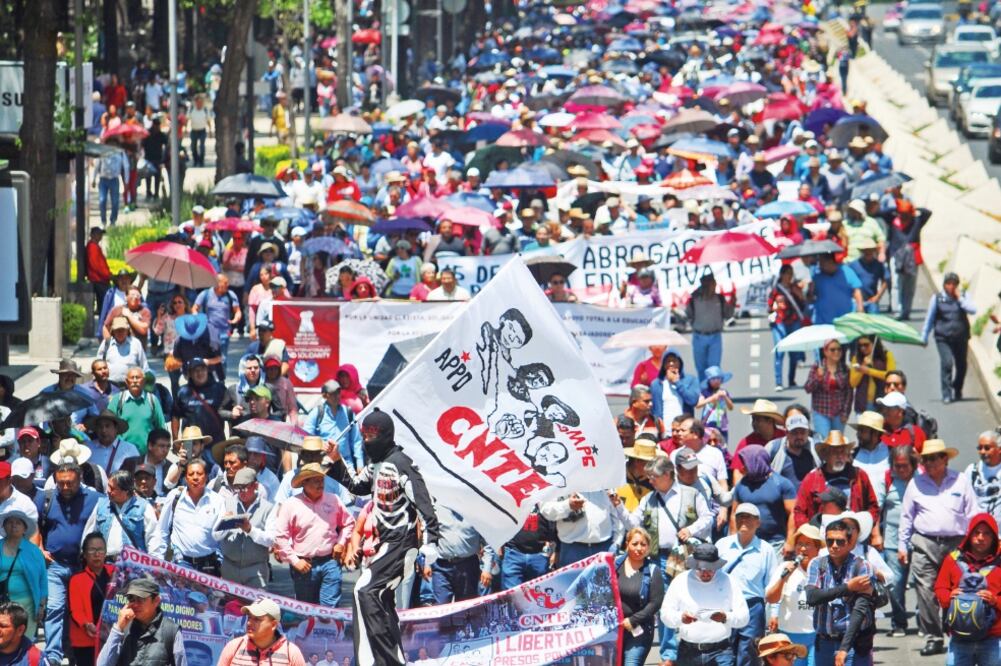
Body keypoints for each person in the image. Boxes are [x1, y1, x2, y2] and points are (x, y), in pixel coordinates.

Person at [323, 411, 441, 666]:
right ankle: (385, 658)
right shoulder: (375, 465)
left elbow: (423, 502)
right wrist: (336, 459)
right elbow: (356, 485)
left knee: (365, 589)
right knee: (380, 599)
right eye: (364, 436)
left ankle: (385, 661)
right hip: (384, 545)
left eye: (372, 436)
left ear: (386, 436)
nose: (367, 441)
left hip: (402, 543)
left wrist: (431, 543)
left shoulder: (401, 463)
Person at [898, 439, 980, 656]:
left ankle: (955, 626)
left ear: (945, 458)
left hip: (956, 543)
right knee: (925, 590)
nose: (931, 462)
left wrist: (978, 542)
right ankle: (933, 636)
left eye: (935, 458)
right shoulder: (915, 484)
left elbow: (973, 513)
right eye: (926, 459)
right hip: (925, 541)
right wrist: (902, 546)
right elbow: (906, 517)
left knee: (958, 588)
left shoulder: (960, 480)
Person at [36, 462, 101, 666]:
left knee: (79, 611)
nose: (64, 487)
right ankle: (54, 655)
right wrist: (39, 548)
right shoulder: (46, 498)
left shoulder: (94, 499)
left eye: (70, 483)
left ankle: (76, 652)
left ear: (80, 479)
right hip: (54, 565)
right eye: (61, 483)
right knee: (55, 608)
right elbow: (33, 525)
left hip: (82, 567)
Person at [273, 463, 355, 606]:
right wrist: (295, 560)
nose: (320, 484)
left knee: (328, 609)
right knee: (307, 610)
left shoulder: (334, 499)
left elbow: (349, 523)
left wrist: (341, 543)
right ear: (304, 482)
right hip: (304, 564)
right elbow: (281, 537)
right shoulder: (291, 504)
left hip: (330, 561)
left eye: (322, 480)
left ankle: (329, 627)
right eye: (315, 480)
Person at [661, 543, 750, 666]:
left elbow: (744, 617)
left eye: (711, 569)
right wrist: (681, 618)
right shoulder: (680, 581)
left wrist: (725, 617)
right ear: (694, 566)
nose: (706, 573)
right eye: (701, 570)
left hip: (721, 651)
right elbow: (665, 615)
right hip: (688, 651)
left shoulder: (728, 581)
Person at [804, 518, 878, 666]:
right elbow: (812, 597)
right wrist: (848, 588)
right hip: (824, 642)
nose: (834, 546)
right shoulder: (817, 564)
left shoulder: (863, 567)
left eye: (840, 541)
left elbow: (860, 610)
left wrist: (844, 648)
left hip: (854, 643)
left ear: (850, 544)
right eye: (830, 541)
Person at [933, 512, 1001, 666]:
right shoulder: (953, 559)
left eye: (987, 534)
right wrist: (948, 597)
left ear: (994, 537)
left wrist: (995, 600)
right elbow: (940, 587)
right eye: (976, 533)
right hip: (959, 637)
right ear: (969, 535)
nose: (981, 538)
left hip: (993, 637)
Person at [717, 503, 777, 666]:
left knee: (749, 654)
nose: (744, 520)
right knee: (724, 650)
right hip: (725, 604)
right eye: (740, 516)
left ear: (758, 522)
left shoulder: (766, 550)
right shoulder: (722, 545)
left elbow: (772, 584)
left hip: (753, 607)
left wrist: (774, 613)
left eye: (749, 517)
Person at [793, 431, 880, 540]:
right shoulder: (811, 479)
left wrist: (863, 527)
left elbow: (873, 507)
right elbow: (799, 511)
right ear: (826, 455)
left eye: (842, 452)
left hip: (854, 539)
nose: (839, 456)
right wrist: (811, 534)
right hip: (823, 539)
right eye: (834, 452)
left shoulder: (859, 476)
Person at [765, 524, 825, 666]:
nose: (802, 549)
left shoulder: (825, 570)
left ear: (817, 549)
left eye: (808, 544)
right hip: (790, 635)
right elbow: (771, 598)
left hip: (817, 636)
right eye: (799, 544)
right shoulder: (784, 568)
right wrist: (783, 578)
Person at [154, 459, 224, 575]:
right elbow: (162, 531)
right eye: (191, 474)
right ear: (186, 478)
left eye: (199, 474)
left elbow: (221, 538)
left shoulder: (217, 500)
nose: (195, 477)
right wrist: (158, 561)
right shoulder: (175, 497)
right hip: (181, 564)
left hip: (209, 566)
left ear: (206, 477)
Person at [95, 577, 186, 666]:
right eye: (131, 599)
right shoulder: (124, 628)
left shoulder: (171, 630)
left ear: (156, 601)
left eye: (141, 599)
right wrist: (118, 628)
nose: (135, 604)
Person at [921, 272, 976, 403]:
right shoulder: (937, 298)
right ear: (944, 285)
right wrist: (924, 336)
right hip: (943, 337)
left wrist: (959, 299)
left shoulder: (963, 296)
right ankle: (946, 393)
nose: (951, 286)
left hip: (961, 337)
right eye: (948, 283)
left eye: (954, 284)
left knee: (961, 365)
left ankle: (957, 388)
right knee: (947, 363)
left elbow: (973, 310)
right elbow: (930, 318)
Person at [880, 445, 918, 637]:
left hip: (919, 541)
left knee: (923, 584)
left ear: (913, 464)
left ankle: (925, 622)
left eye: (905, 466)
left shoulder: (922, 479)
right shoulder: (887, 480)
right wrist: (875, 534)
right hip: (893, 541)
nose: (901, 470)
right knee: (895, 583)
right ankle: (899, 622)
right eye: (897, 466)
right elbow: (876, 505)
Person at [422, 504, 494, 604]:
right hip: (441, 567)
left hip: (468, 567)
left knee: (466, 609)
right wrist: (427, 563)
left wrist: (487, 569)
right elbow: (430, 534)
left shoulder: (476, 512)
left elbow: (488, 542)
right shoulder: (437, 509)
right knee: (441, 607)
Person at [731, 446, 797, 554]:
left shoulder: (782, 483)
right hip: (747, 543)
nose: (743, 467)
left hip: (776, 544)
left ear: (756, 462)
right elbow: (734, 514)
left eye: (746, 462)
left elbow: (793, 513)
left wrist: (790, 542)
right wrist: (733, 539)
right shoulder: (741, 485)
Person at [81, 470, 159, 559]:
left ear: (125, 491)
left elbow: (153, 539)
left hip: (133, 567)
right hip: (104, 564)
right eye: (108, 486)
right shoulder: (101, 505)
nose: (108, 491)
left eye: (112, 488)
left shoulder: (144, 507)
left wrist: (155, 566)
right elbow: (89, 533)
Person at [617, 527, 665, 666]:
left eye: (643, 545)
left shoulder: (653, 571)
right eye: (635, 543)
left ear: (649, 548)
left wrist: (632, 620)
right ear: (627, 544)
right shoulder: (613, 565)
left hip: (640, 630)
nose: (639, 548)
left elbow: (656, 603)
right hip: (614, 629)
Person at [68, 533, 113, 666]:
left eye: (100, 550)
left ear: (105, 553)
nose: (96, 554)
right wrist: (86, 624)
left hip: (112, 637)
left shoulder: (117, 573)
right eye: (92, 550)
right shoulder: (77, 579)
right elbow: (75, 610)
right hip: (86, 639)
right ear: (85, 554)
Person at [217, 598, 306, 665]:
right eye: (249, 617)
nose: (249, 623)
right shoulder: (233, 647)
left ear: (273, 625)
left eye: (257, 619)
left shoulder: (291, 652)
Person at [0, 512, 46, 640]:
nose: (14, 526)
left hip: (27, 606)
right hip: (2, 605)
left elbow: (42, 580)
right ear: (4, 526)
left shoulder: (34, 551)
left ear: (25, 528)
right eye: (10, 522)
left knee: (24, 641)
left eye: (18, 523)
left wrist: (42, 606)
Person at [304, 381, 363, 474]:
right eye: (332, 394)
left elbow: (356, 440)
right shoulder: (317, 413)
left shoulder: (348, 413)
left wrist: (360, 463)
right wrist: (320, 444)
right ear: (325, 395)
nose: (337, 396)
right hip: (323, 462)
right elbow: (306, 436)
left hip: (346, 463)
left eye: (338, 392)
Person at [106, 368, 165, 455]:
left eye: (137, 377)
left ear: (144, 381)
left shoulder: (152, 400)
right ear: (126, 381)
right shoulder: (117, 400)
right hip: (122, 454)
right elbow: (107, 424)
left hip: (147, 455)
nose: (134, 381)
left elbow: (161, 427)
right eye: (132, 378)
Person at [686, 275, 733, 382]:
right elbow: (687, 315)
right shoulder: (694, 299)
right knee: (701, 368)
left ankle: (713, 392)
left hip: (715, 337)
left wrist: (732, 303)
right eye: (712, 284)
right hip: (699, 336)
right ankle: (704, 393)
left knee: (714, 368)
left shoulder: (719, 298)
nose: (714, 286)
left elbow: (728, 314)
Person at [769, 264, 808, 391]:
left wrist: (801, 295)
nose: (789, 277)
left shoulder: (794, 288)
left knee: (794, 353)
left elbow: (803, 305)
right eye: (787, 274)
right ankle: (778, 382)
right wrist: (774, 308)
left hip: (794, 322)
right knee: (779, 352)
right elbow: (769, 307)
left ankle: (791, 379)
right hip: (780, 322)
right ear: (782, 275)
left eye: (791, 274)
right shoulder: (776, 290)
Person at [804, 339, 852, 439]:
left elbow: (849, 393)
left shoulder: (844, 368)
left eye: (839, 349)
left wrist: (845, 413)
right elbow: (808, 388)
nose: (837, 352)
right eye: (832, 350)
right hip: (821, 411)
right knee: (824, 442)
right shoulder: (817, 367)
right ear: (825, 351)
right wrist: (818, 377)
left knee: (837, 443)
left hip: (839, 413)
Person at [499, 507, 555, 590]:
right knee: (512, 596)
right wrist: (500, 544)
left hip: (540, 555)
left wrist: (554, 551)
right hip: (513, 553)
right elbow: (502, 520)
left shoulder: (546, 500)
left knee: (537, 595)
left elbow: (553, 526)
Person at [765, 410, 820, 486]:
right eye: (795, 432)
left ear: (808, 432)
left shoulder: (817, 448)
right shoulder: (773, 448)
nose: (799, 436)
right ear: (786, 433)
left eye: (803, 432)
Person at [83, 410, 141, 474]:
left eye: (107, 426)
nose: (103, 430)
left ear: (116, 428)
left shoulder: (129, 449)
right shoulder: (87, 448)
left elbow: (137, 474)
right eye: (100, 426)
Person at [96, 317, 150, 385]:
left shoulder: (135, 343)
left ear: (127, 330)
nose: (120, 332)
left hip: (131, 386)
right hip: (110, 386)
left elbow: (144, 367)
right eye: (117, 330)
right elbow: (97, 365)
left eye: (122, 330)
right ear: (113, 331)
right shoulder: (106, 343)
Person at [848, 337, 894, 414]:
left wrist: (869, 371)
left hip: (881, 401)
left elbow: (891, 376)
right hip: (863, 403)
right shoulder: (856, 358)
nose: (863, 348)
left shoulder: (887, 355)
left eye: (866, 345)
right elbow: (853, 383)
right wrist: (863, 366)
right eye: (860, 345)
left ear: (874, 344)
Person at [967, 430, 1001, 522]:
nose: (982, 452)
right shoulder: (972, 471)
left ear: (999, 449)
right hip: (980, 532)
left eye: (987, 448)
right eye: (979, 448)